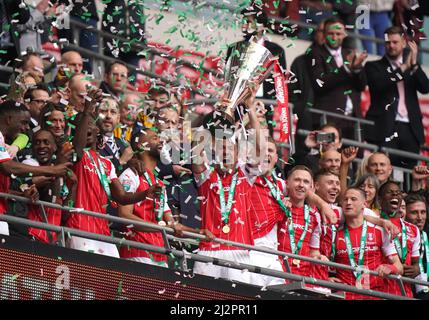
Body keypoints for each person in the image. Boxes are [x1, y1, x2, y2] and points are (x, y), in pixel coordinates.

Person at [64, 89, 165, 258]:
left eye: (90, 127)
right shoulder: (78, 156)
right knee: (82, 282)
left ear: (98, 132)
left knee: (109, 281)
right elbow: (79, 145)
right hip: (79, 226)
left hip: (103, 230)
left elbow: (122, 197)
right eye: (83, 128)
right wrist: (88, 110)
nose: (87, 130)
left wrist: (144, 193)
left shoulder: (107, 163)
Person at [190, 88, 261, 284]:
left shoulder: (246, 176)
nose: (226, 150)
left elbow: (258, 146)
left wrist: (250, 109)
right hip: (208, 249)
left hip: (239, 250)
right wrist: (216, 116)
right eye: (221, 147)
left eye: (230, 147)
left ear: (239, 153)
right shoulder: (206, 177)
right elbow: (195, 148)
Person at [118, 128, 211, 267]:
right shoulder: (131, 175)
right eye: (154, 138)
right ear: (140, 144)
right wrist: (160, 228)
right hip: (137, 251)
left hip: (160, 254)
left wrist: (198, 232)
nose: (160, 141)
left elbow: (173, 225)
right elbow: (124, 215)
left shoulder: (159, 183)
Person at [0, 100, 71, 236]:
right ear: (9, 119)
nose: (26, 128)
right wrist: (51, 170)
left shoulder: (3, 140)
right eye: (24, 122)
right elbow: (7, 167)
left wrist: (21, 195)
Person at [364, 26, 429, 168]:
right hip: (385, 126)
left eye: (395, 42)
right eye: (388, 43)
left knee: (410, 171)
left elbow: (425, 88)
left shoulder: (411, 66)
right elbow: (380, 85)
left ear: (404, 43)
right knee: (384, 169)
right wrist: (403, 68)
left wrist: (415, 66)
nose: (391, 46)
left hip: (410, 127)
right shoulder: (373, 66)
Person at [323, 188, 403, 300]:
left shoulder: (380, 231)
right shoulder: (334, 232)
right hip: (345, 295)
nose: (348, 202)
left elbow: (399, 267)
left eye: (353, 199)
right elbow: (322, 260)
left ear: (364, 204)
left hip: (374, 295)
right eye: (345, 199)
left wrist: (390, 268)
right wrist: (326, 278)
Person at [307, 16, 367, 139]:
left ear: (344, 34)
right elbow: (320, 84)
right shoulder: (315, 53)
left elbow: (361, 86)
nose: (334, 37)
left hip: (353, 121)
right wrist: (345, 69)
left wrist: (357, 69)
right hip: (327, 120)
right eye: (331, 33)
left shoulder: (349, 53)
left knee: (355, 157)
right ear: (324, 34)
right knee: (326, 156)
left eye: (338, 33)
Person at [22, 129, 76, 244]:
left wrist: (73, 187)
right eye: (37, 142)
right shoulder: (30, 164)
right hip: (32, 235)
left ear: (55, 147)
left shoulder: (61, 172)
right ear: (32, 148)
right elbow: (44, 193)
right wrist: (57, 168)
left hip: (52, 240)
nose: (41, 146)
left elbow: (65, 214)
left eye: (46, 142)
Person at [378, 180, 420, 297]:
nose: (395, 195)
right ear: (379, 199)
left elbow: (417, 263)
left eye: (398, 192)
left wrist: (416, 269)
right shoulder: (373, 224)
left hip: (404, 292)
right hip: (379, 290)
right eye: (390, 192)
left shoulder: (413, 229)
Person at [96, 97, 133, 174]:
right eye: (103, 111)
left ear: (118, 118)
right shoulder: (90, 141)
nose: (108, 116)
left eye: (113, 112)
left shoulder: (123, 144)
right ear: (95, 114)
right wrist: (121, 161)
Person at [405, 192, 429, 298]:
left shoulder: (427, 234)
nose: (420, 217)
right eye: (414, 212)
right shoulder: (397, 237)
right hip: (406, 292)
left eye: (423, 212)